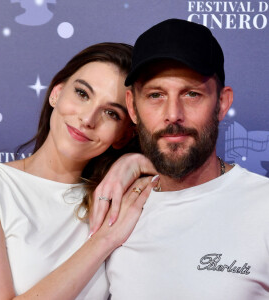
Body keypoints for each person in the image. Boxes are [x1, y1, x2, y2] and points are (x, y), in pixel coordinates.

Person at [0, 42, 157, 299]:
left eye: (111, 113)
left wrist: (135, 162)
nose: (88, 119)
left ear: (124, 136)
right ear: (56, 92)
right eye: (82, 94)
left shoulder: (120, 197)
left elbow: (200, 177)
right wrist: (102, 241)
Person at [106, 19, 269, 299]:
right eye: (156, 95)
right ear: (132, 106)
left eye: (192, 94)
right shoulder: (111, 211)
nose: (173, 114)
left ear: (222, 103)